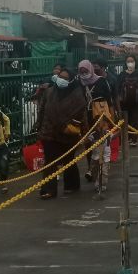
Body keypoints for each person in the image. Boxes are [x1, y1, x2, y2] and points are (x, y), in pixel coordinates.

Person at [38, 68, 88, 199]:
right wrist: (39, 128)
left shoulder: (77, 95)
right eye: (60, 76)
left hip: (68, 132)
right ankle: (48, 189)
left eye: (65, 78)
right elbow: (42, 111)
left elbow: (82, 116)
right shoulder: (49, 92)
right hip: (49, 132)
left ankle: (72, 185)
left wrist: (85, 133)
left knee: (68, 160)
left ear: (71, 80)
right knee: (50, 162)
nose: (61, 80)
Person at [115, 55, 138, 146]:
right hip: (124, 103)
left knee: (136, 121)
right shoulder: (122, 74)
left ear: (135, 62)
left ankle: (134, 139)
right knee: (126, 121)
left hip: (137, 102)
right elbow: (117, 88)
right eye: (128, 61)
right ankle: (127, 138)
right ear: (125, 63)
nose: (130, 63)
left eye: (132, 61)